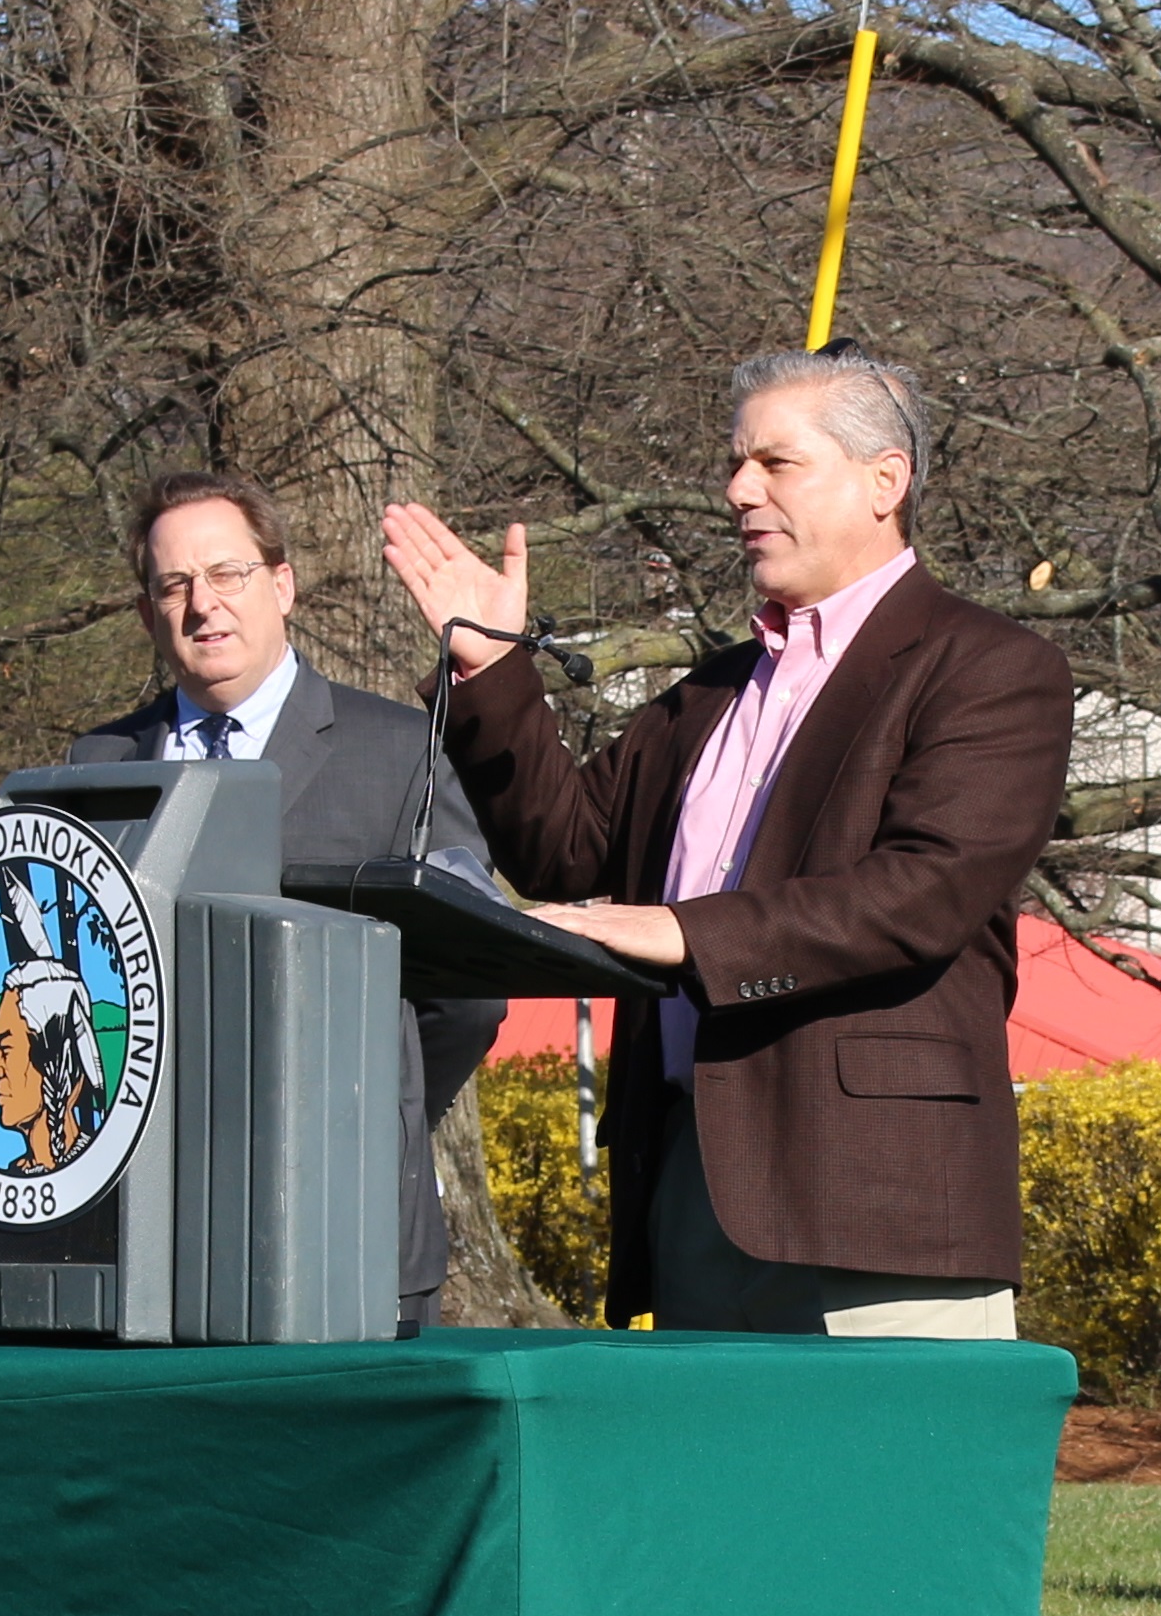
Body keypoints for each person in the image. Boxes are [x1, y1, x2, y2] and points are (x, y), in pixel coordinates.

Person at [380, 351, 1071, 1336]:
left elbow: (927, 891)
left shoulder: (990, 667)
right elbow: (564, 859)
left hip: (875, 1204)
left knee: (881, 1495)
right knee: (714, 1494)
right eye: (735, 463)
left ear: (886, 480)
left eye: (775, 463)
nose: (738, 490)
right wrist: (492, 669)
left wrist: (687, 934)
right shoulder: (708, 695)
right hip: (691, 1191)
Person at [58, 469, 505, 1332]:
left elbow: (470, 992)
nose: (203, 605)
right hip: (149, 1238)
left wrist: (378, 1101)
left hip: (349, 1217)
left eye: (227, 574)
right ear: (148, 613)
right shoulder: (96, 766)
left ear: (282, 585)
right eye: (174, 585)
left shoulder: (399, 751)